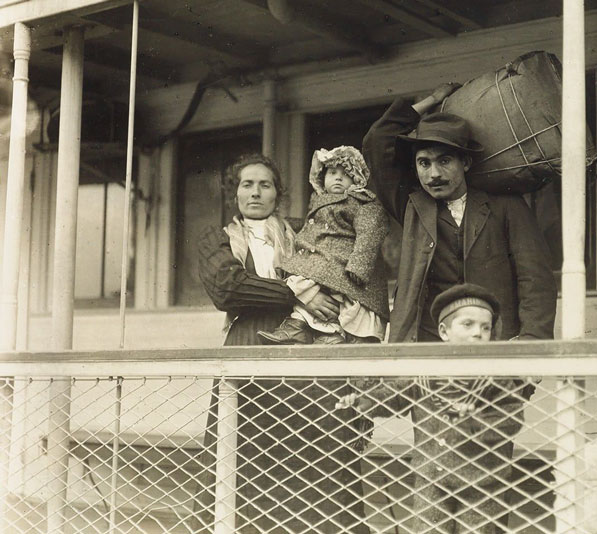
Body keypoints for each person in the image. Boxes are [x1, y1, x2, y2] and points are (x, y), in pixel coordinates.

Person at [191, 152, 369, 534]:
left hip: (308, 344)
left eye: (265, 185)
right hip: (249, 344)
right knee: (243, 450)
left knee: (318, 449)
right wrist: (297, 293)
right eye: (247, 184)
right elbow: (228, 287)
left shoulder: (302, 231)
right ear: (234, 193)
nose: (255, 192)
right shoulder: (217, 237)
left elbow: (337, 264)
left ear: (278, 194)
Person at [362, 82, 557, 342]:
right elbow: (377, 140)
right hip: (426, 344)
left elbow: (536, 280)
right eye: (424, 163)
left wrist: (532, 339)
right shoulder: (412, 206)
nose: (434, 174)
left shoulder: (506, 206)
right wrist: (432, 99)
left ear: (465, 163)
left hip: (492, 342)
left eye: (444, 161)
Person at [337, 283, 535, 533]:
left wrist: (475, 421)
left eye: (485, 328)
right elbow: (396, 395)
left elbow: (511, 417)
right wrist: (364, 401)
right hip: (431, 477)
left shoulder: (494, 378)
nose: (478, 333)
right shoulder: (425, 373)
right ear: (444, 331)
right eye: (468, 324)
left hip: (480, 481)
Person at [259, 145, 389, 345]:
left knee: (338, 297)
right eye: (332, 173)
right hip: (323, 259)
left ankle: (332, 334)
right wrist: (285, 225)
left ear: (357, 180)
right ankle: (298, 327)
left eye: (346, 174)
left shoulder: (361, 202)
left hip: (344, 261)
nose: (338, 177)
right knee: (301, 280)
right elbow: (311, 227)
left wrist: (359, 266)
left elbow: (371, 231)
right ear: (321, 178)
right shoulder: (319, 202)